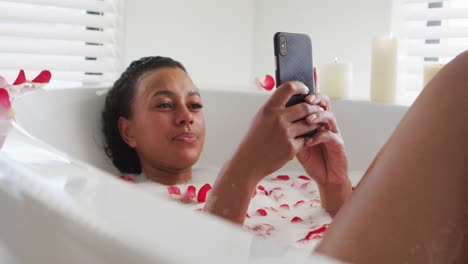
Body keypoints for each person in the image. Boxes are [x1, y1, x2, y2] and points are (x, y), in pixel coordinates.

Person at [103, 51, 468, 263]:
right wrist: (243, 171)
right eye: (165, 104)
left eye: (195, 104)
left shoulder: (240, 182)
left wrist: (333, 183)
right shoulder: (120, 204)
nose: (186, 115)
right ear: (128, 131)